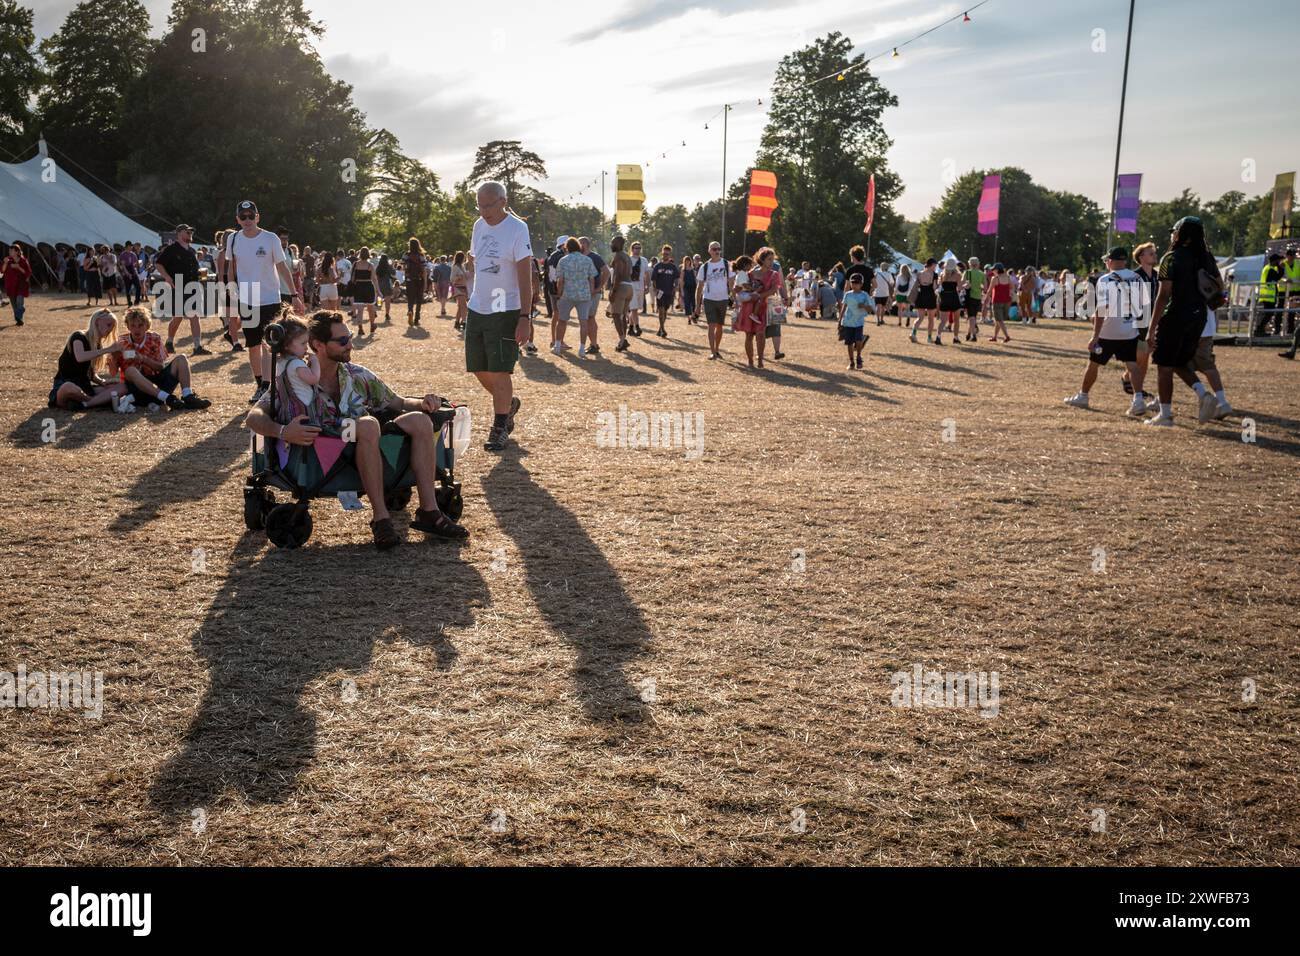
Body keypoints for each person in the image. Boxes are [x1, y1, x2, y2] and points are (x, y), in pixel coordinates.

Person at [246, 310, 468, 549]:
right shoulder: (294, 379)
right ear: (317, 345)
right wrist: (282, 431)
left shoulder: (356, 374)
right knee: (368, 424)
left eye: (350, 336)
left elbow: (399, 402)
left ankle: (429, 512)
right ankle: (381, 519)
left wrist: (425, 402)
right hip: (324, 446)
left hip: (364, 440)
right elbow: (255, 416)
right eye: (342, 341)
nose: (350, 344)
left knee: (420, 421)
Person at [466, 181, 530, 452]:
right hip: (477, 305)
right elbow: (474, 260)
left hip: (505, 308)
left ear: (503, 201)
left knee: (500, 369)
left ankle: (499, 426)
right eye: (479, 205)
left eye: (489, 205)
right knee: (478, 367)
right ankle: (508, 403)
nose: (483, 210)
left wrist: (525, 316)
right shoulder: (478, 226)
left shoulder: (517, 228)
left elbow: (525, 275)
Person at [1144, 216, 1222, 428]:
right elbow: (1219, 288)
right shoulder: (1207, 257)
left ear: (1179, 233)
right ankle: (1203, 394)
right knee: (1179, 362)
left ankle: (1166, 415)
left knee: (1164, 366)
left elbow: (1163, 295)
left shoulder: (1172, 257)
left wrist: (1151, 329)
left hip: (1176, 316)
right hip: (1199, 317)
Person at [227, 200, 304, 404]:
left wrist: (295, 295)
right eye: (243, 217)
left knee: (270, 345)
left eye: (251, 216)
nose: (247, 220)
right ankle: (261, 385)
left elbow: (282, 267)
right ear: (237, 219)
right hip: (246, 299)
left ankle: (271, 385)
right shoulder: (233, 239)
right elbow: (231, 268)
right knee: (253, 345)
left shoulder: (270, 238)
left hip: (270, 298)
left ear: (257, 217)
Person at [1062, 247, 1149, 417]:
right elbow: (1143, 305)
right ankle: (1138, 399)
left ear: (1110, 261)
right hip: (1129, 329)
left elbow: (1102, 310)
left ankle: (1083, 396)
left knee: (1093, 364)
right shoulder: (1137, 277)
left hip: (1109, 331)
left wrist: (1095, 336)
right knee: (1132, 365)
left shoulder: (1105, 279)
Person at [108, 306, 211, 410]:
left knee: (181, 358)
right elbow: (112, 373)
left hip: (158, 383)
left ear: (147, 326)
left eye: (140, 325)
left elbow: (160, 367)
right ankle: (168, 399)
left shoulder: (154, 338)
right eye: (133, 325)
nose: (136, 329)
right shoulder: (121, 342)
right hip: (138, 390)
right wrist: (113, 359)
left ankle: (188, 396)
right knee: (130, 370)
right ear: (128, 326)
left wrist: (144, 359)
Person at [49, 309, 129, 410]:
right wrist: (108, 349)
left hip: (85, 386)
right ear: (97, 322)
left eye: (112, 327)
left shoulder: (97, 345)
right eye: (109, 325)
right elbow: (80, 357)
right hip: (65, 386)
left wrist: (102, 381)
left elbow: (90, 373)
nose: (110, 329)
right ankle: (93, 401)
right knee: (68, 387)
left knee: (123, 387)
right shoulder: (78, 336)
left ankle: (86, 403)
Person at [157, 224, 210, 356]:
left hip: (193, 286)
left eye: (191, 232)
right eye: (188, 232)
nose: (190, 234)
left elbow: (196, 269)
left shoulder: (191, 251)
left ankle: (197, 346)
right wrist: (167, 277)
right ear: (179, 233)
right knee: (178, 317)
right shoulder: (171, 249)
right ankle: (169, 342)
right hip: (178, 286)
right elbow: (158, 264)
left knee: (195, 316)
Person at [734, 248, 782, 369]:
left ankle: (760, 360)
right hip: (749, 306)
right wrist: (738, 289)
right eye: (769, 259)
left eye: (773, 259)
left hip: (763, 307)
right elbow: (740, 286)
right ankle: (750, 361)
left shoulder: (774, 274)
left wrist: (759, 295)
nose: (771, 262)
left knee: (761, 334)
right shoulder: (750, 273)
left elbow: (773, 290)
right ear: (762, 260)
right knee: (749, 335)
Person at [1122, 242, 1158, 400]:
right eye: (1151, 253)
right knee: (1140, 357)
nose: (1154, 255)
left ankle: (1136, 385)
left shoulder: (1158, 276)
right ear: (1141, 257)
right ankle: (1129, 380)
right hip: (1137, 321)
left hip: (1152, 321)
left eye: (1154, 253)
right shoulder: (1134, 276)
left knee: (1145, 357)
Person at [553, 237, 596, 355]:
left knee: (562, 321)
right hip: (584, 296)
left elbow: (560, 280)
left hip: (567, 295)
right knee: (583, 322)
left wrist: (559, 293)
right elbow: (592, 278)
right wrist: (591, 293)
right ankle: (582, 349)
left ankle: (557, 346)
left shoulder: (563, 260)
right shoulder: (587, 260)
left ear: (567, 247)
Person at [273, 316, 320, 409]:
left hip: (288, 407)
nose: (306, 347)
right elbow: (313, 379)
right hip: (304, 407)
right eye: (303, 343)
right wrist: (315, 361)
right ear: (286, 345)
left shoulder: (280, 362)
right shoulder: (296, 364)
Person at [695, 242, 732, 359]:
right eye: (714, 249)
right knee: (711, 325)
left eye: (718, 249)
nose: (717, 251)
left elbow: (731, 281)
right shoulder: (704, 267)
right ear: (709, 250)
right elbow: (700, 287)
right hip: (709, 299)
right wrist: (697, 305)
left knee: (720, 326)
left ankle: (716, 349)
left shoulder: (726, 264)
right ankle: (712, 351)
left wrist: (734, 297)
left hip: (723, 299)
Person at [837, 272, 872, 369]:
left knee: (858, 340)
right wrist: (840, 319)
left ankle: (859, 357)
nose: (854, 285)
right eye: (852, 283)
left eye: (856, 283)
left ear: (861, 284)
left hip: (859, 322)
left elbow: (870, 309)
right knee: (849, 343)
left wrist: (864, 306)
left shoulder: (864, 295)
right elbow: (844, 306)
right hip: (848, 322)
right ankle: (851, 362)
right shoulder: (848, 294)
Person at [578, 236, 606, 356]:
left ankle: (594, 344)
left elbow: (607, 272)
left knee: (590, 318)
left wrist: (598, 288)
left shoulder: (595, 257)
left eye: (579, 244)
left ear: (584, 244)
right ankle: (593, 344)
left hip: (593, 293)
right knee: (586, 318)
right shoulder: (580, 257)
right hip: (584, 293)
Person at [608, 235, 635, 352]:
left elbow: (618, 274)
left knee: (615, 315)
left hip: (621, 287)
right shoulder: (627, 256)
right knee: (623, 316)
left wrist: (613, 291)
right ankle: (624, 339)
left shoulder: (618, 256)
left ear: (619, 244)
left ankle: (622, 340)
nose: (611, 245)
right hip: (629, 287)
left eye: (613, 242)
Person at [650, 245, 680, 338]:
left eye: (667, 254)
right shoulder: (657, 266)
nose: (666, 255)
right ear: (662, 253)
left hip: (669, 292)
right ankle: (663, 329)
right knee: (661, 310)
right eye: (664, 253)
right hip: (660, 292)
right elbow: (653, 279)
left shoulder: (672, 267)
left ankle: (660, 328)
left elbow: (676, 278)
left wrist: (675, 287)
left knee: (665, 311)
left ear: (669, 254)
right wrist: (655, 288)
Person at [908, 258, 939, 343]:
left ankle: (913, 333)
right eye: (935, 265)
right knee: (931, 319)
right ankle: (929, 338)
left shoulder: (919, 273)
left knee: (920, 318)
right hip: (930, 297)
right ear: (932, 265)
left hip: (921, 297)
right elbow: (934, 287)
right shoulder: (935, 275)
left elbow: (916, 286)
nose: (935, 267)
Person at [1, 243, 32, 326]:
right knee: (14, 305)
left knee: (19, 301)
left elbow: (28, 272)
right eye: (9, 250)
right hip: (10, 285)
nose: (10, 252)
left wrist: (18, 267)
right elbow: (2, 271)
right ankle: (19, 320)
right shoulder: (8, 260)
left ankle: (21, 310)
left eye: (12, 250)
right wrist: (5, 263)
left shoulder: (23, 260)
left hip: (21, 285)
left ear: (17, 252)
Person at [350, 247, 379, 336]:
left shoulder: (355, 264)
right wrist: (378, 290)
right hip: (368, 286)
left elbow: (352, 278)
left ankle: (360, 328)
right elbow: (374, 279)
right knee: (371, 308)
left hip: (358, 287)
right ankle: (372, 325)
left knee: (360, 309)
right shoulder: (370, 265)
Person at [626, 241, 650, 336]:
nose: (637, 250)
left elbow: (647, 274)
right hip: (631, 287)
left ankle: (631, 328)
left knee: (635, 309)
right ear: (632, 249)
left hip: (640, 287)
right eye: (636, 248)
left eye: (639, 248)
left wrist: (648, 285)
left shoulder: (644, 260)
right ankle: (638, 327)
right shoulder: (628, 259)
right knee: (634, 309)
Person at [403, 239, 427, 327]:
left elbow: (403, 267)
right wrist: (425, 281)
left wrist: (406, 275)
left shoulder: (406, 255)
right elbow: (424, 269)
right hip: (419, 279)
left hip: (409, 279)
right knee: (419, 298)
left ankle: (410, 311)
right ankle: (417, 318)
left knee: (410, 298)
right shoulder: (421, 255)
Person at [987, 263, 1013, 343]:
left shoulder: (995, 278)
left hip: (997, 301)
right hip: (1007, 301)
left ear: (997, 270)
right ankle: (995, 337)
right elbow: (1012, 287)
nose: (992, 271)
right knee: (998, 320)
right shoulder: (1008, 277)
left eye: (993, 269)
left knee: (999, 320)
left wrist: (985, 298)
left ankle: (1007, 336)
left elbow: (990, 290)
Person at [963, 257, 984, 341]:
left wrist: (967, 285)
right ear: (978, 264)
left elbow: (961, 285)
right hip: (978, 297)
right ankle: (968, 334)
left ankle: (974, 335)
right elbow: (985, 287)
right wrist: (978, 287)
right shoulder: (982, 274)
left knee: (971, 317)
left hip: (970, 297)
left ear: (969, 264)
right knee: (973, 317)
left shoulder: (967, 272)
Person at [871, 261, 893, 326]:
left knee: (878, 306)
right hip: (885, 293)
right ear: (887, 268)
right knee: (883, 307)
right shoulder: (889, 274)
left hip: (877, 293)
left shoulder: (877, 274)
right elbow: (892, 283)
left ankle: (877, 320)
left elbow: (873, 282)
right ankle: (881, 319)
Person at [681, 252, 698, 324]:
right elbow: (681, 281)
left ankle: (693, 315)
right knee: (687, 303)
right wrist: (681, 290)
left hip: (693, 288)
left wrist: (698, 288)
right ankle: (689, 318)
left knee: (693, 302)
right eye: (686, 261)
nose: (687, 262)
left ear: (690, 261)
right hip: (686, 288)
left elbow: (696, 279)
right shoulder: (683, 270)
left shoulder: (693, 270)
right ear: (684, 262)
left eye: (688, 261)